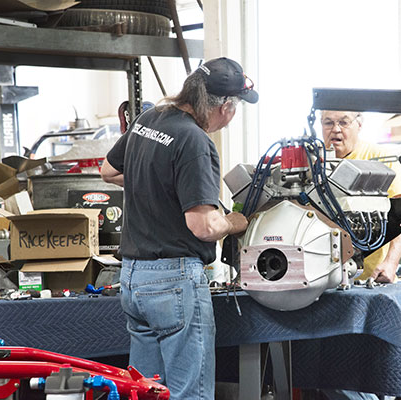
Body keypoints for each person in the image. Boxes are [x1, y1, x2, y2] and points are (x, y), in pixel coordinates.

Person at [101, 57, 258, 399]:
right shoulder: (195, 140)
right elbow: (202, 226)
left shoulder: (149, 119)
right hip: (173, 280)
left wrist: (158, 183)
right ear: (226, 107)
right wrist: (235, 222)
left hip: (132, 278)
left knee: (147, 391)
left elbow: (108, 171)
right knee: (190, 393)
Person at [321, 110, 401, 283]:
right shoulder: (312, 163)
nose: (336, 129)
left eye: (344, 122)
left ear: (359, 125)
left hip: (371, 279)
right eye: (328, 123)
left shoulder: (379, 158)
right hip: (320, 279)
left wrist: (391, 263)